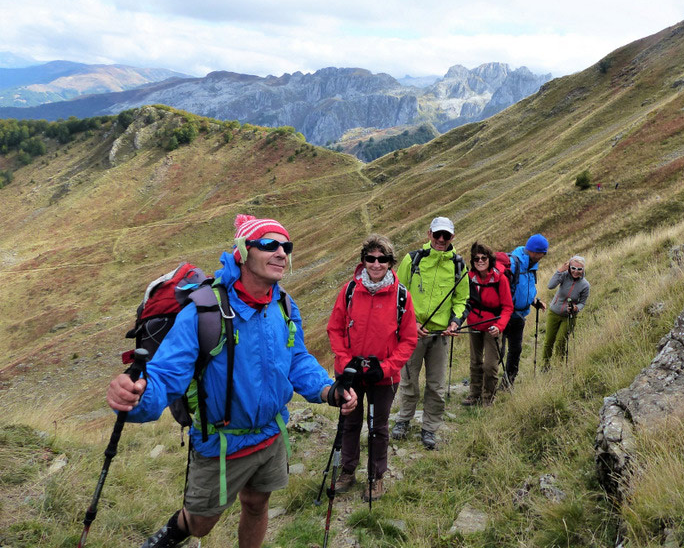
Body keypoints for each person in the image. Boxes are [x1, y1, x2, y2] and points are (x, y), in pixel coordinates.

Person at [106, 214, 357, 548]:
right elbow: (166, 377)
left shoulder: (283, 303)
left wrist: (327, 389)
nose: (282, 252)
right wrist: (137, 397)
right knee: (201, 524)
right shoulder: (204, 311)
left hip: (271, 433)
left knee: (257, 503)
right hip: (221, 442)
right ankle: (174, 531)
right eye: (269, 244)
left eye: (286, 246)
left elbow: (296, 358)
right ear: (242, 252)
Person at [326, 234, 417, 500]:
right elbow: (335, 329)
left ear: (390, 262)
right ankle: (347, 471)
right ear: (363, 260)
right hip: (351, 373)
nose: (376, 264)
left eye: (382, 259)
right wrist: (345, 363)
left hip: (383, 377)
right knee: (350, 422)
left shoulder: (402, 296)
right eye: (371, 258)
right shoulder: (349, 290)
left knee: (378, 427)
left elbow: (409, 339)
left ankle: (376, 477)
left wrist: (386, 368)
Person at [391, 216, 468, 450]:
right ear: (429, 234)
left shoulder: (458, 265)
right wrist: (410, 324)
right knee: (408, 381)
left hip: (441, 336)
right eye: (437, 235)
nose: (441, 240)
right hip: (412, 334)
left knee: (435, 385)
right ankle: (404, 420)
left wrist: (455, 322)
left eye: (446, 235)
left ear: (453, 237)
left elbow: (462, 299)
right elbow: (396, 294)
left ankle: (430, 428)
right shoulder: (412, 260)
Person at [461, 242, 513, 407]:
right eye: (476, 258)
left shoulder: (500, 279)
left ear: (490, 259)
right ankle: (474, 394)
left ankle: (488, 399)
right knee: (475, 361)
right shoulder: (469, 278)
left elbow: (507, 307)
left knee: (490, 365)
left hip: (493, 328)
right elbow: (463, 301)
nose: (480, 261)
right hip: (474, 324)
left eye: (484, 258)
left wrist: (499, 326)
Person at [503, 233, 549, 386]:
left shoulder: (531, 265)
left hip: (519, 315)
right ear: (535, 252)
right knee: (498, 352)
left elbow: (525, 288)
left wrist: (534, 301)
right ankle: (488, 383)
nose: (543, 256)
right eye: (543, 253)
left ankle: (508, 383)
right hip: (504, 314)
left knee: (515, 350)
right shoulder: (513, 263)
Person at [542, 255, 591, 369]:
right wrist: (560, 271)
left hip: (569, 317)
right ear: (569, 267)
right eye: (573, 268)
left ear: (583, 269)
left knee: (560, 342)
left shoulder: (585, 285)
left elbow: (582, 303)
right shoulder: (563, 276)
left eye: (579, 269)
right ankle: (545, 366)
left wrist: (575, 308)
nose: (576, 271)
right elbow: (550, 286)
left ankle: (559, 366)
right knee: (549, 340)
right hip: (554, 313)